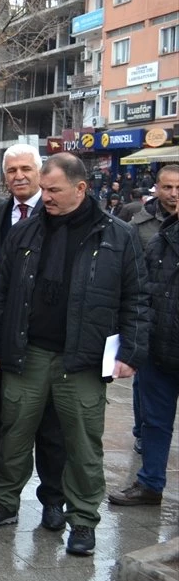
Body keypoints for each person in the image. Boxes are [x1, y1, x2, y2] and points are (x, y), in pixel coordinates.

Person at [0, 153, 148, 557]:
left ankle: (83, 520)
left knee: (84, 445)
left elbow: (137, 299)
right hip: (28, 353)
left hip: (83, 360)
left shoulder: (118, 236)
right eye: (44, 189)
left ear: (81, 188)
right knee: (14, 433)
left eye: (53, 190)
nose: (45, 197)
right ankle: (4, 501)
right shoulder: (25, 233)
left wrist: (131, 353)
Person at [0, 145, 66, 523]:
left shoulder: (58, 211)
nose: (19, 176)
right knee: (2, 419)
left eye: (26, 168)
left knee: (50, 424)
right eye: (12, 170)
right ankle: (2, 492)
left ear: (40, 173)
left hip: (46, 337)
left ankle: (53, 499)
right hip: (3, 334)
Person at [109, 167, 178, 507]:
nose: (175, 195)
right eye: (169, 187)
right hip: (159, 348)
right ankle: (150, 483)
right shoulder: (162, 235)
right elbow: (141, 289)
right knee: (153, 421)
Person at [121, 164, 179, 459]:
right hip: (153, 327)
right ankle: (142, 435)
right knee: (146, 393)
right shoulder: (139, 224)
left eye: (178, 188)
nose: (173, 194)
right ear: (156, 187)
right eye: (167, 187)